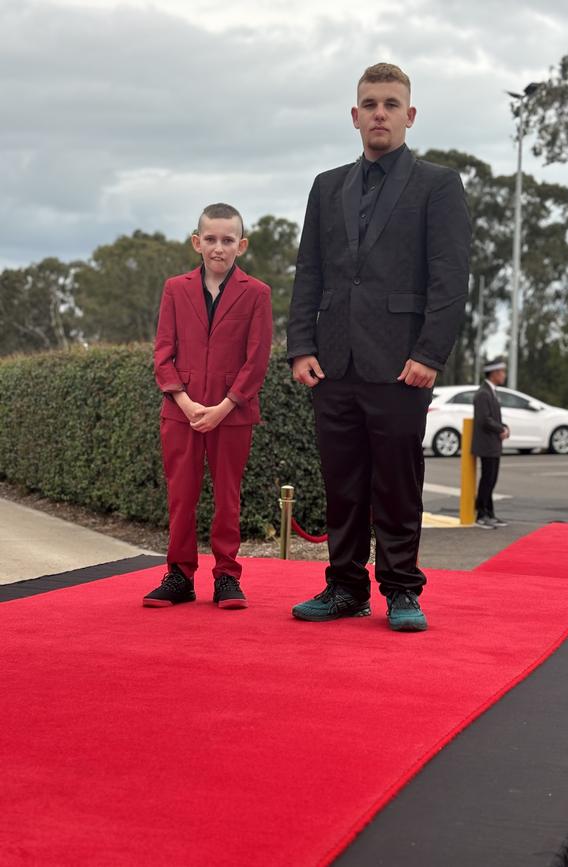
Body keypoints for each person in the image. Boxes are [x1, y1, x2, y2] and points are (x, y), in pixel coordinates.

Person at [287, 62, 471, 632]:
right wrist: (300, 346)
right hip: (333, 362)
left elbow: (450, 278)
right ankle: (344, 588)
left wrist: (429, 354)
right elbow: (309, 272)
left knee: (396, 482)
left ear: (409, 115)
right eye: (370, 104)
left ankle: (401, 590)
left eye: (391, 104)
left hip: (400, 365)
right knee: (342, 483)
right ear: (354, 115)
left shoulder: (437, 185)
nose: (380, 113)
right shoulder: (326, 186)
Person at [144, 203, 273, 608]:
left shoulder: (257, 294)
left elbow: (257, 361)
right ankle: (179, 576)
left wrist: (222, 407)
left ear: (242, 245)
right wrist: (184, 402)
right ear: (197, 242)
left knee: (227, 496)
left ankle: (226, 577)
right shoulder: (175, 289)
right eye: (212, 239)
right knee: (181, 495)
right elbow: (163, 353)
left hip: (232, 416)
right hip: (179, 413)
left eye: (228, 240)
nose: (219, 247)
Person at [471, 358, 510, 529]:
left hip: (493, 444)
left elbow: (492, 419)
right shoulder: (483, 394)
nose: (504, 375)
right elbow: (484, 420)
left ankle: (490, 513)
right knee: (487, 479)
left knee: (492, 479)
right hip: (486, 444)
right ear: (494, 373)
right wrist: (501, 429)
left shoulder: (491, 392)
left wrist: (504, 427)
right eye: (502, 372)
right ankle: (481, 514)